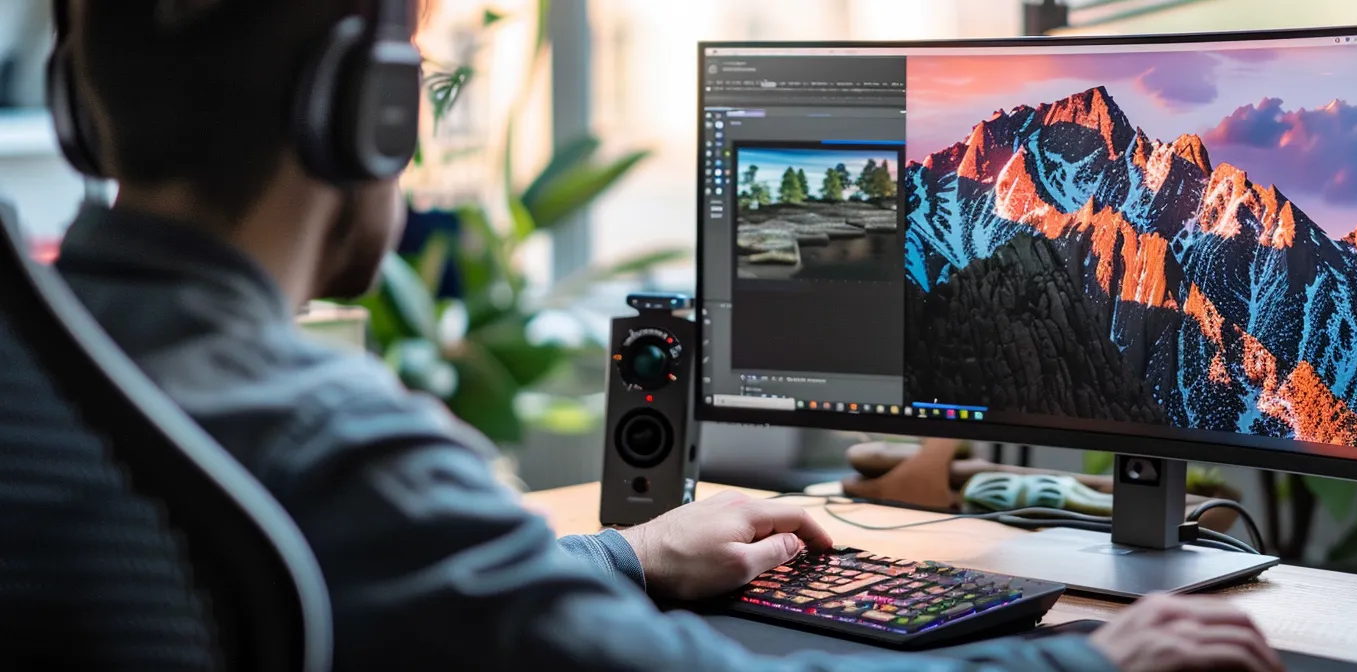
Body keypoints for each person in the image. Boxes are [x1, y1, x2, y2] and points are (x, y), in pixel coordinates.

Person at [51, 1, 1284, 671]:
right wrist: (1092, 663)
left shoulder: (56, 368)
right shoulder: (330, 439)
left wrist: (630, 555)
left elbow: (384, 574)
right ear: (367, 112)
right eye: (419, 88)